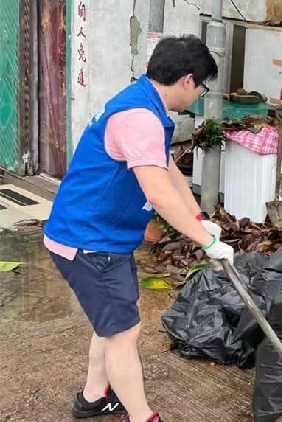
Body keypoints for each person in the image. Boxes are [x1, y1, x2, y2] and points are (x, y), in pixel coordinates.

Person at [43, 35, 235, 422]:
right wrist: (206, 242)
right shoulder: (140, 118)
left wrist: (199, 219)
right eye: (201, 87)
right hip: (88, 241)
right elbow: (159, 194)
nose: (199, 95)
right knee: (123, 334)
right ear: (187, 80)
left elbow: (165, 168)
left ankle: (93, 396)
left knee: (113, 322)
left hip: (99, 238)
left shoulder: (145, 102)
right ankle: (141, 415)